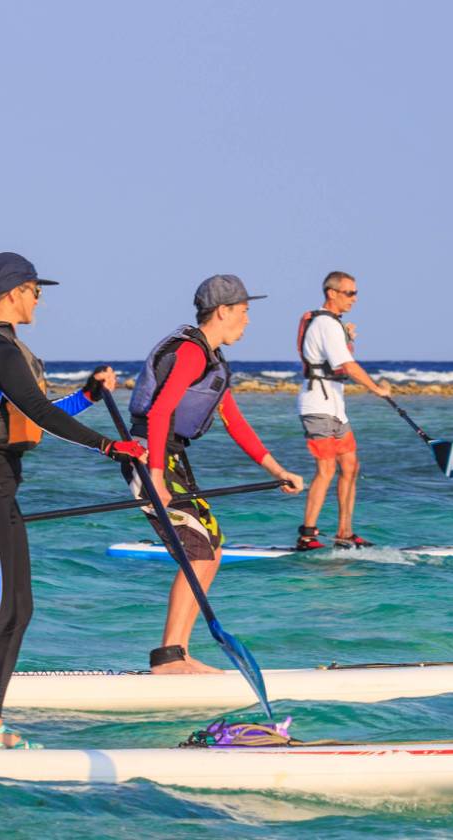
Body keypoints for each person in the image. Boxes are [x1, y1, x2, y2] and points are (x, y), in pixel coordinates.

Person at [0, 252, 145, 748]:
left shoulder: (7, 349)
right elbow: (43, 414)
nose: (39, 299)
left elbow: (37, 412)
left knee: (19, 608)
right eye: (34, 290)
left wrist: (89, 396)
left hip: (2, 482)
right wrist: (108, 445)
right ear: (12, 292)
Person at [124, 274, 305, 675]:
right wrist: (155, 477)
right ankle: (168, 657)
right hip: (150, 458)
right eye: (244, 311)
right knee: (197, 551)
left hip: (170, 459)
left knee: (213, 549)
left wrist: (277, 470)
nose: (248, 320)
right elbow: (158, 413)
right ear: (223, 311)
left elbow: (234, 421)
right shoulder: (190, 353)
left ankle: (180, 652)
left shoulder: (212, 358)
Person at [294, 271, 392, 550]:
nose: (354, 299)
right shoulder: (325, 324)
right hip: (317, 405)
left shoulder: (334, 325)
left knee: (350, 466)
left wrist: (347, 338)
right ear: (331, 293)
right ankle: (307, 535)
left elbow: (338, 361)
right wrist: (376, 388)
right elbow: (347, 366)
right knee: (326, 469)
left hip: (336, 405)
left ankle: (344, 533)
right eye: (349, 293)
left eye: (356, 293)